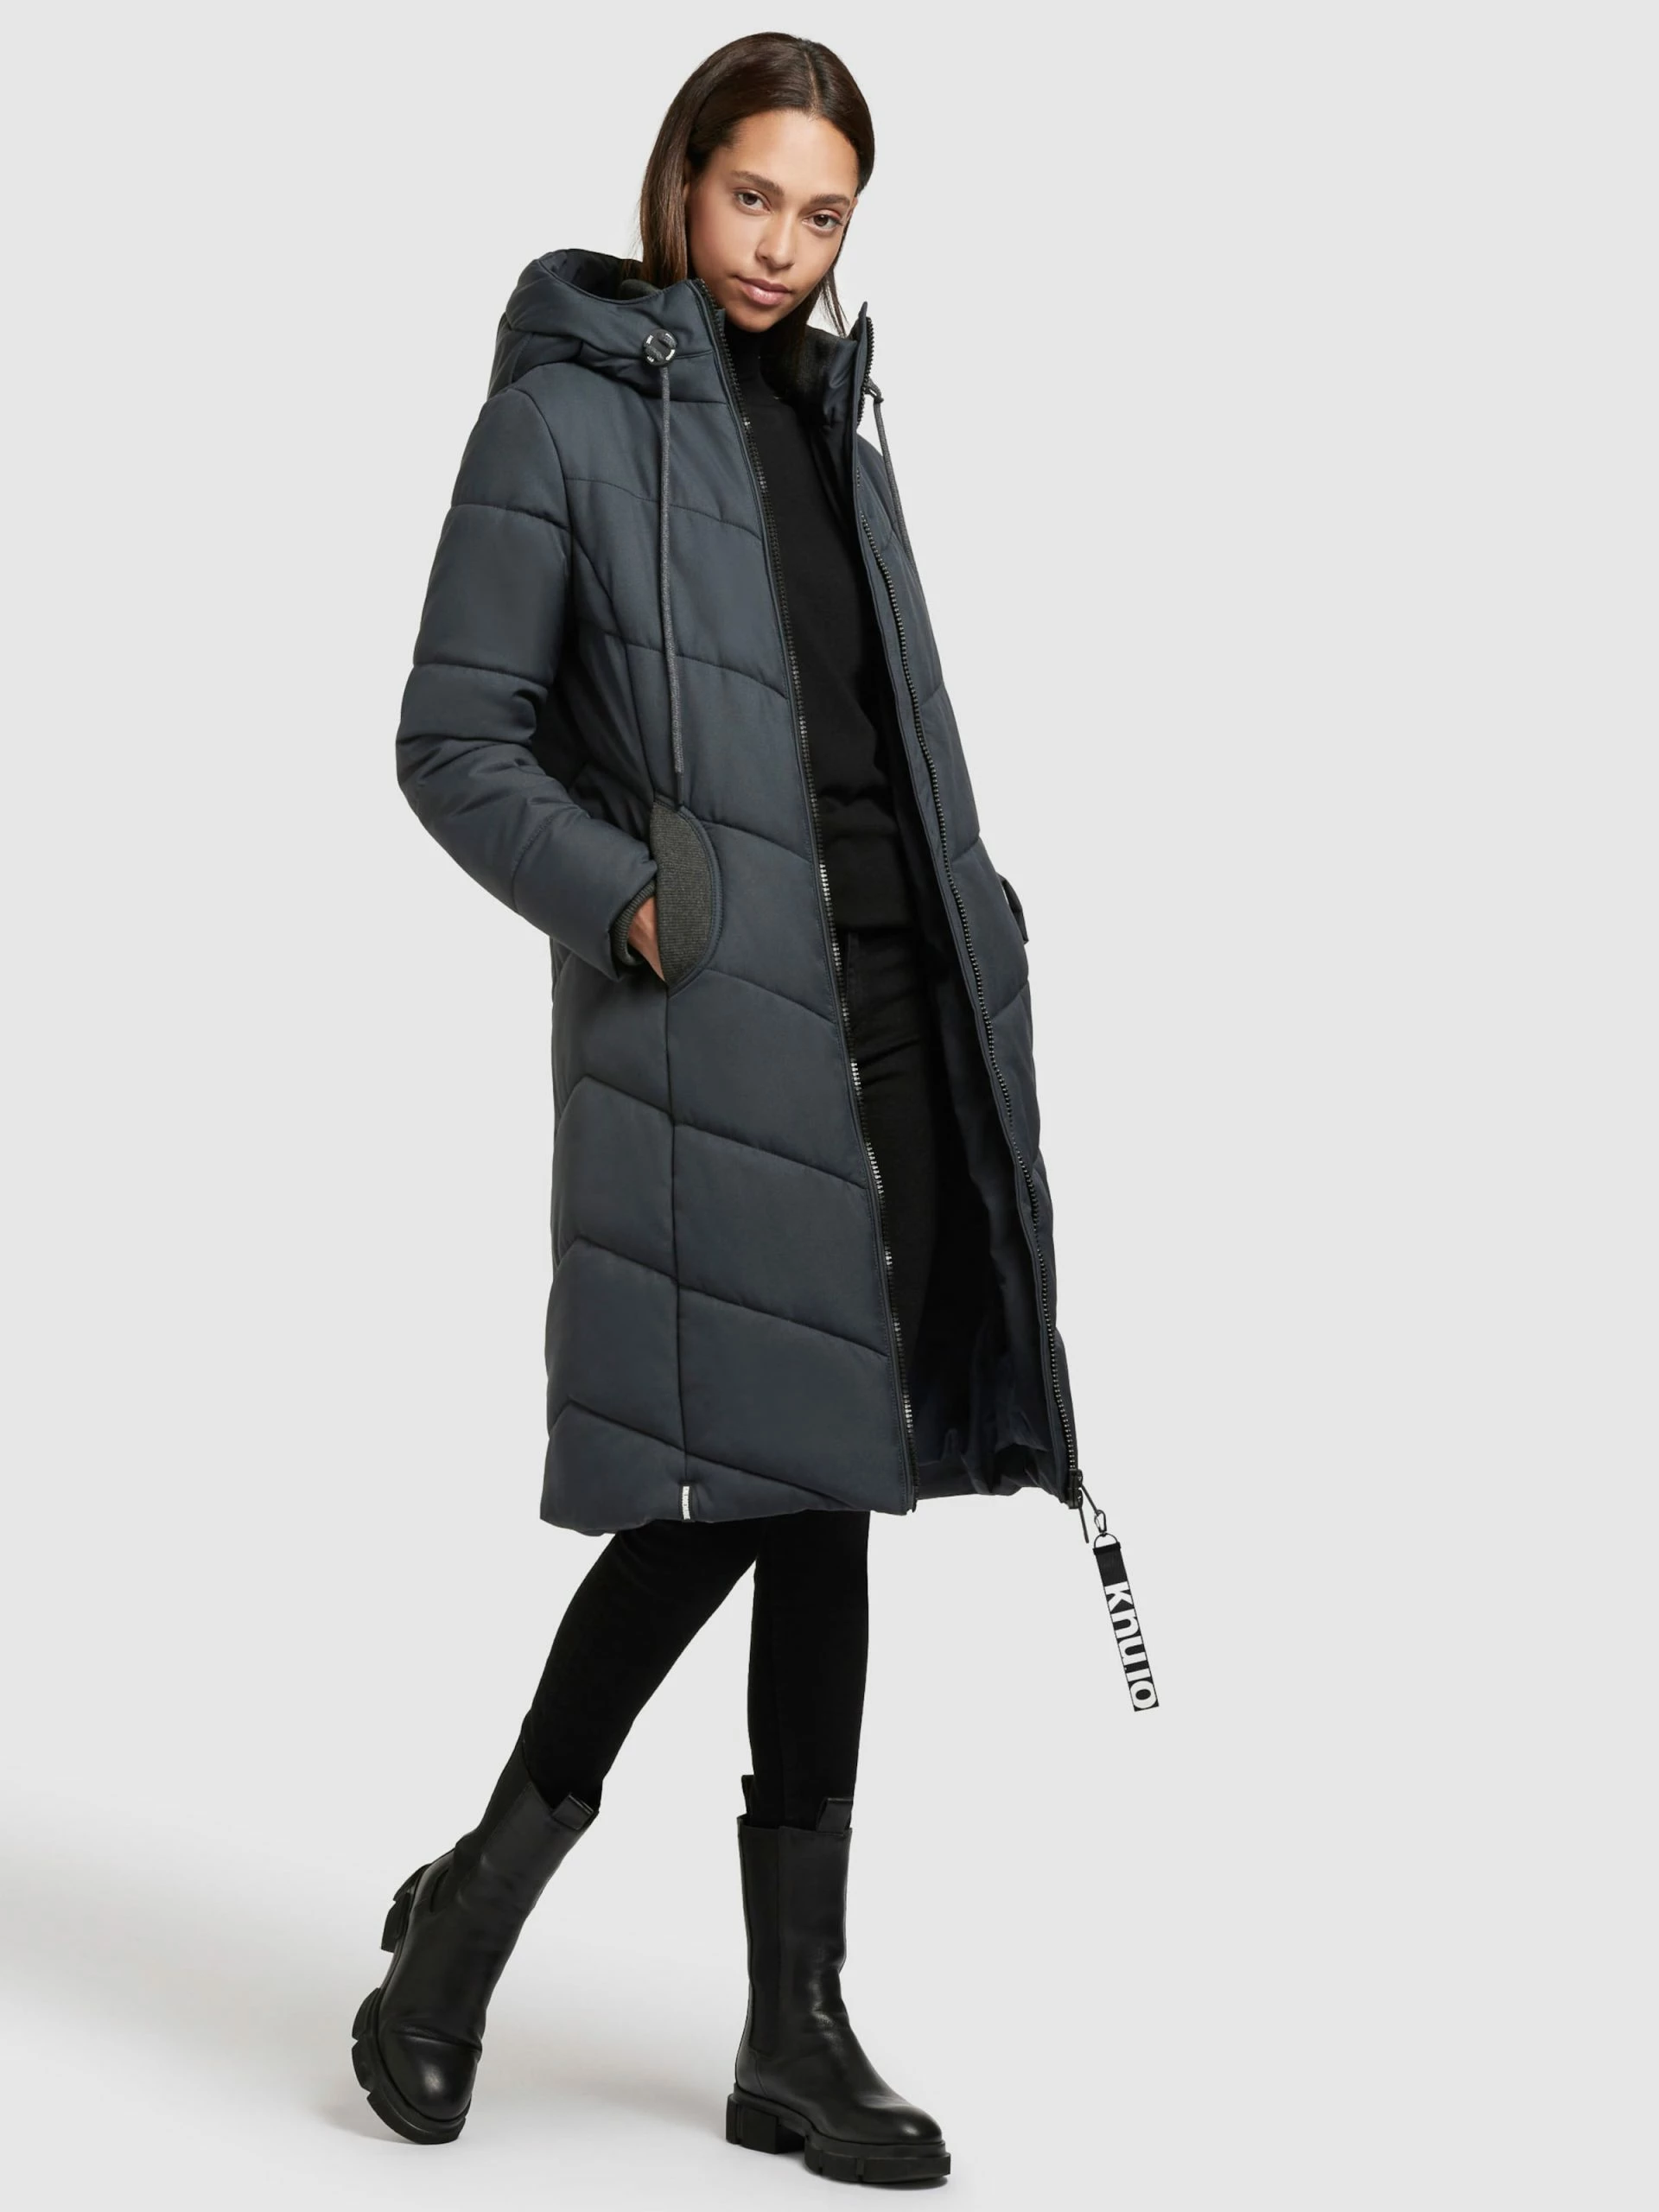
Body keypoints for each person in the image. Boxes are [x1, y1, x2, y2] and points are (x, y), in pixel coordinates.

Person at [353, 30, 1083, 2187]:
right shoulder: (563, 415)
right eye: (755, 195)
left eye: (824, 214)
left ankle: (791, 2024)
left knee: (829, 1489)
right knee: (726, 1498)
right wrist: (635, 902)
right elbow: (455, 741)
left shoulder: (842, 418)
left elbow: (870, 720)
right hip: (718, 1023)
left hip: (897, 1010)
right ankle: (468, 1927)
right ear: (682, 179)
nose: (783, 246)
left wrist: (978, 915)